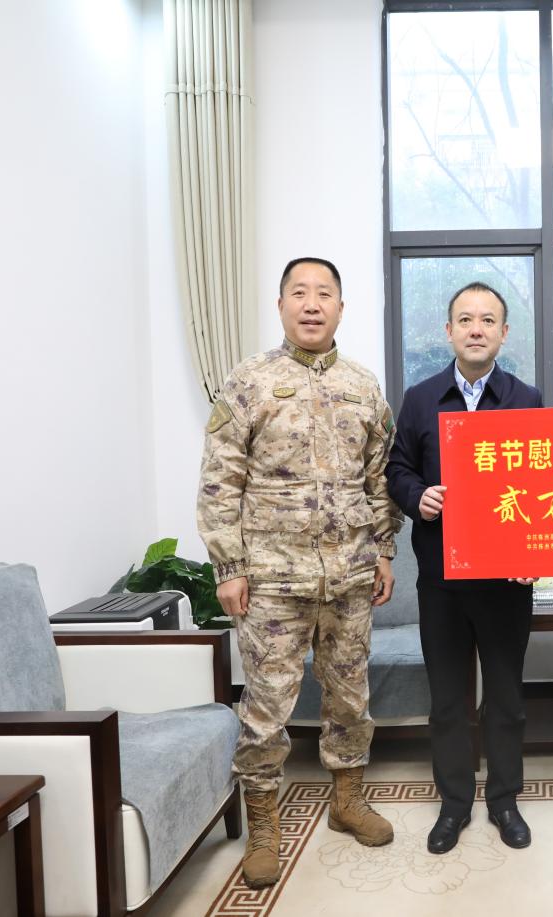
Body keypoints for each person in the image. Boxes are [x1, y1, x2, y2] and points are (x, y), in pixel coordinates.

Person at [197, 257, 404, 889]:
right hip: (270, 579)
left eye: (324, 294)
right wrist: (229, 567)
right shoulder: (249, 381)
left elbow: (380, 478)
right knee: (266, 705)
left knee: (350, 696)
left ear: (341, 307)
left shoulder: (363, 385)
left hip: (350, 575)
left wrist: (385, 551)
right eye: (299, 293)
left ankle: (347, 801)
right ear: (281, 304)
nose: (312, 304)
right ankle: (264, 824)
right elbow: (220, 479)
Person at [386, 281, 543, 854]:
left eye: (488, 320)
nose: (477, 329)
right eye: (466, 320)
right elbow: (397, 468)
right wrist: (417, 496)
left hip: (505, 583)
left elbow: (545, 488)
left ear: (504, 332)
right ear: (448, 330)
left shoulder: (527, 400)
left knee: (506, 700)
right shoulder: (420, 398)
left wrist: (535, 556)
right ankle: (453, 805)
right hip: (443, 582)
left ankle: (504, 801)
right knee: (448, 701)